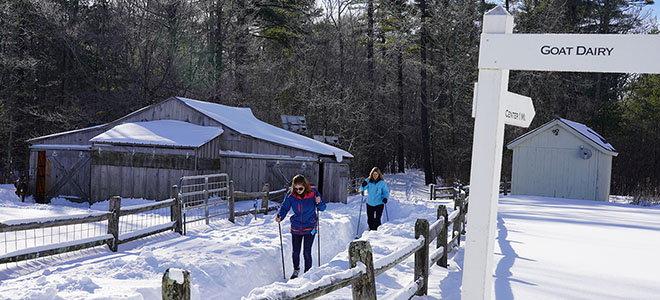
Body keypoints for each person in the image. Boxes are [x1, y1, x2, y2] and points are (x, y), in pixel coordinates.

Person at [276, 174, 326, 279]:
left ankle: (308, 273)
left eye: (300, 188)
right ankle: (296, 270)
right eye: (296, 188)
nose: (298, 190)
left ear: (305, 186)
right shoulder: (291, 195)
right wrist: (280, 216)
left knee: (307, 252)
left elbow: (322, 208)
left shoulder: (314, 193)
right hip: (296, 226)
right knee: (296, 251)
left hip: (310, 226)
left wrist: (319, 202)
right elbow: (285, 207)